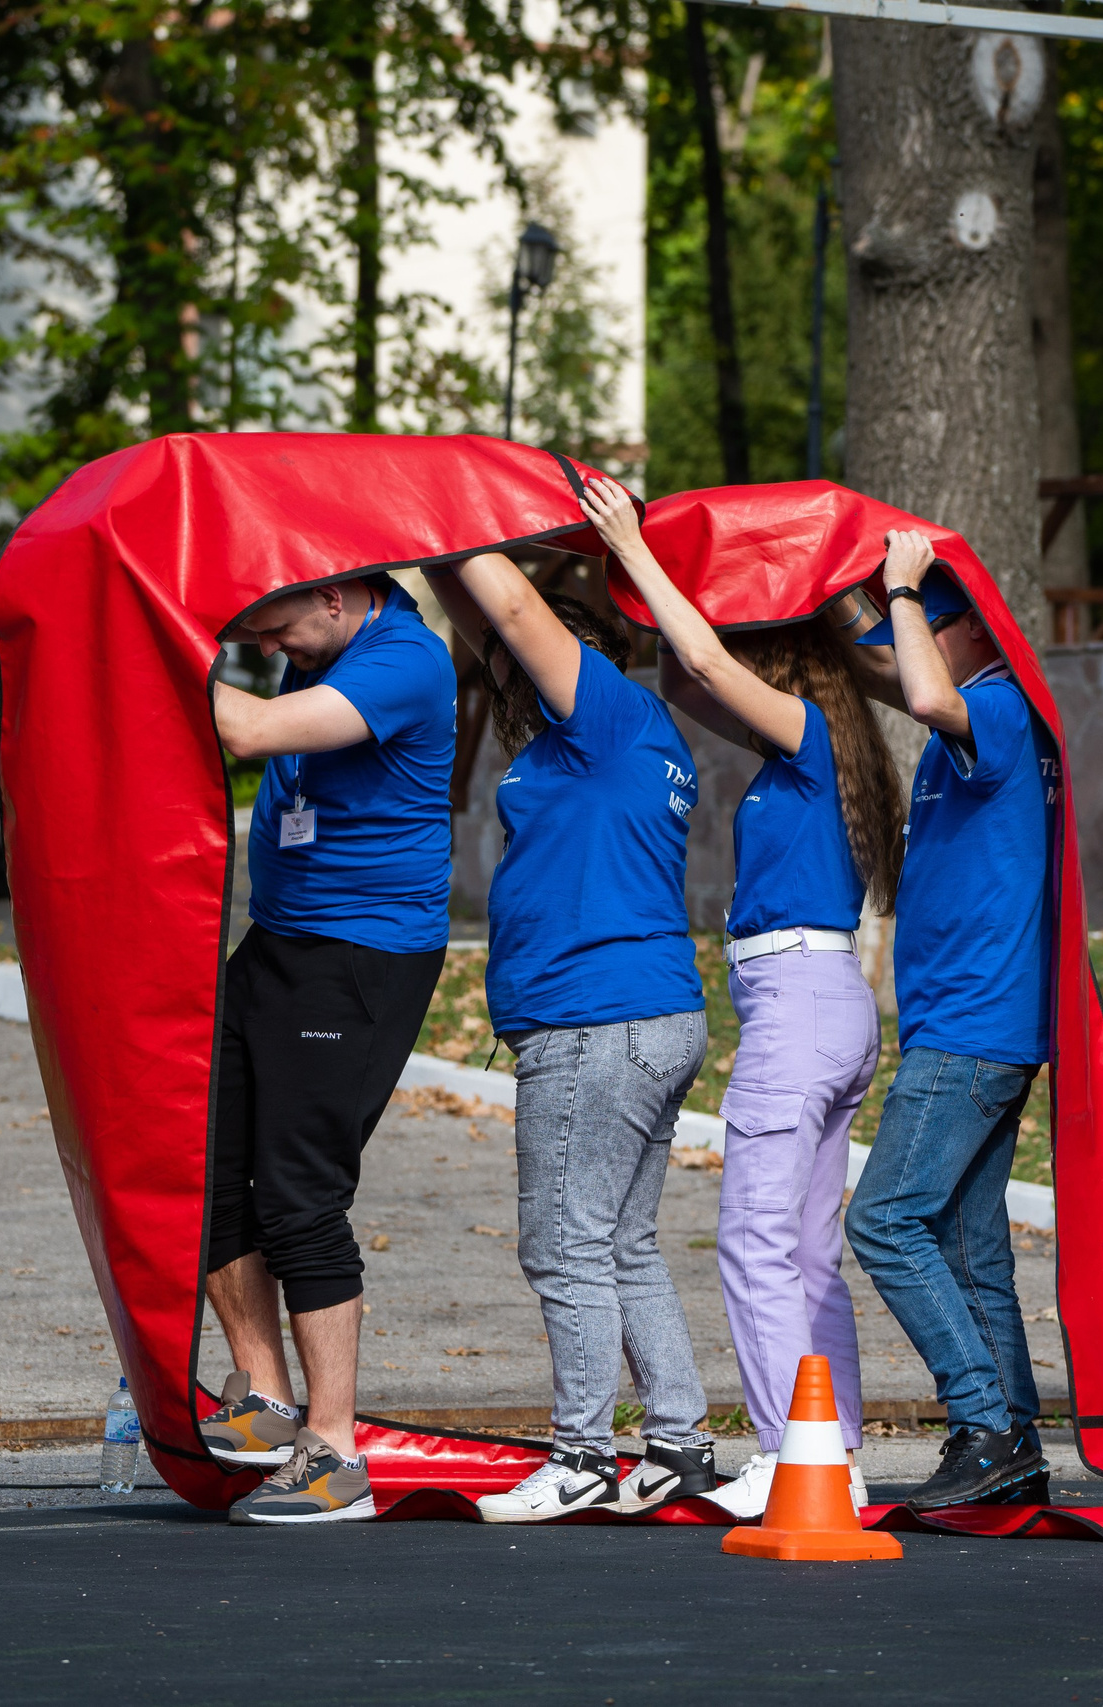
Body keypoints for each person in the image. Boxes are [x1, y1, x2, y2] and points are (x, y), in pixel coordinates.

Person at [580, 476, 898, 1519]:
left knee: (756, 1240)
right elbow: (684, 670)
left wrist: (636, 549)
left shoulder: (805, 733)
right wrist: (642, 576)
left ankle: (781, 1447)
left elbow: (709, 661)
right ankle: (830, 1451)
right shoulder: (817, 751)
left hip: (799, 1002)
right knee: (806, 1250)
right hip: (825, 1003)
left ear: (784, 663)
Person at [424, 549, 721, 1523]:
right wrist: (429, 543)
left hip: (594, 1021)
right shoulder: (588, 739)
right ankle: (675, 1443)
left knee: (563, 1247)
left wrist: (465, 523)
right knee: (621, 1242)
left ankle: (584, 1456)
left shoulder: (605, 714)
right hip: (635, 1014)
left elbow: (506, 606)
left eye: (521, 648)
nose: (502, 659)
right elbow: (483, 616)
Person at [194, 572, 454, 1525]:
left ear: (338, 599)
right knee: (209, 1166)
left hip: (360, 956)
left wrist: (158, 663)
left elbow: (250, 733)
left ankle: (335, 1450)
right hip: (280, 940)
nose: (272, 651)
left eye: (278, 631)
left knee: (300, 1192)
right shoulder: (333, 648)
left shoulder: (407, 660)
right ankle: (263, 1396)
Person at [838, 538, 1059, 1511]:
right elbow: (896, 677)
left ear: (969, 626)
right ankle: (1014, 1451)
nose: (907, 635)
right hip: (973, 1022)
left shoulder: (996, 706)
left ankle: (981, 1421)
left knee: (883, 1221)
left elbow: (922, 692)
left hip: (974, 1023)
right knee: (972, 1251)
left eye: (928, 617)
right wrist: (834, 597)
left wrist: (894, 583)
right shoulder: (984, 714)